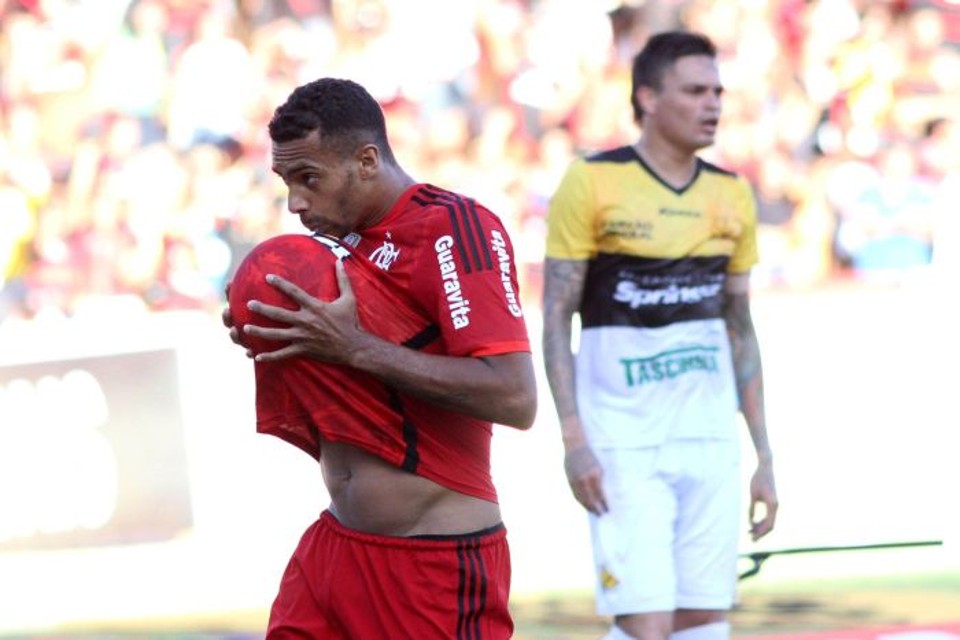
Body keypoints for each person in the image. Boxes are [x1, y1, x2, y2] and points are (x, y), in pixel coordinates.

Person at [223, 77, 537, 639]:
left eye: (308, 178)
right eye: (287, 181)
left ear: (367, 160)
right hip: (336, 551)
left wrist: (354, 349)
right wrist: (275, 332)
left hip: (433, 570)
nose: (295, 202)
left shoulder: (454, 228)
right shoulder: (341, 243)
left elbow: (514, 396)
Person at [541, 31, 778, 640]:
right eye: (696, 91)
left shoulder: (731, 193)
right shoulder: (591, 182)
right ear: (647, 97)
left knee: (703, 618)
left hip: (709, 440)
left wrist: (763, 456)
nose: (713, 105)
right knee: (644, 622)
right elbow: (555, 317)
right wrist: (574, 438)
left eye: (718, 91)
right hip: (623, 441)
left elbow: (740, 329)